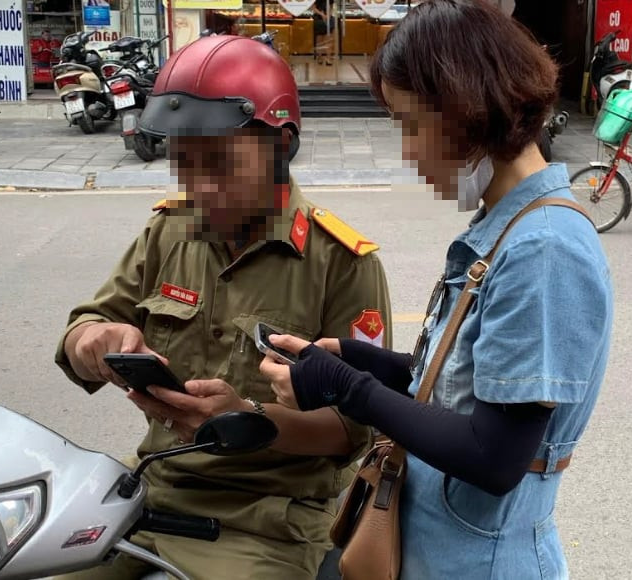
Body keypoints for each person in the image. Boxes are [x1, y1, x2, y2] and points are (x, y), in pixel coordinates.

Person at [260, 1, 613, 578]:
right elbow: (463, 387)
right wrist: (357, 359)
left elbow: (494, 455)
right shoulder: (507, 230)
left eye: (409, 123)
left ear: (464, 109)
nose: (406, 151)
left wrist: (347, 388)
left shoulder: (543, 248)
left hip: (479, 563)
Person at [54, 34, 393, 579]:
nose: (199, 187)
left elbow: (356, 429)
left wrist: (251, 420)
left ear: (280, 147)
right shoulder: (170, 232)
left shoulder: (342, 264)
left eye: (220, 164)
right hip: (153, 489)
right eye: (183, 164)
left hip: (267, 520)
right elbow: (86, 324)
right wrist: (93, 341)